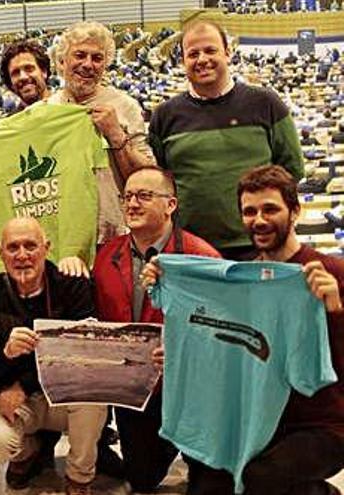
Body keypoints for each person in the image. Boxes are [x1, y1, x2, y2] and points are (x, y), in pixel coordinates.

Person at [142, 165, 344, 495]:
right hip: (256, 417)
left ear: (295, 211)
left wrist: (335, 312)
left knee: (259, 479)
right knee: (207, 483)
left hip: (322, 424)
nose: (259, 220)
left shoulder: (329, 272)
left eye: (270, 209)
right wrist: (184, 353)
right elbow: (230, 346)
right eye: (249, 211)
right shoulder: (240, 278)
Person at [92, 167, 219, 492]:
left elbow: (220, 333)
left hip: (192, 390)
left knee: (210, 483)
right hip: (136, 392)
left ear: (171, 205)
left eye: (144, 196)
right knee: (141, 478)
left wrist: (183, 354)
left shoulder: (202, 258)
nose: (132, 204)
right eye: (128, 196)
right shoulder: (107, 256)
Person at [0, 217, 107, 495]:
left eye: (30, 246)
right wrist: (4, 354)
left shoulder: (72, 287)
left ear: (46, 248)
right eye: (13, 247)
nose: (22, 255)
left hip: (62, 397)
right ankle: (26, 453)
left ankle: (79, 479)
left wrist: (24, 384)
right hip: (12, 398)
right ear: (0, 252)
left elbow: (83, 356)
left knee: (93, 399)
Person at [149, 20, 304, 260]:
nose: (202, 60)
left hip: (260, 248)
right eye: (193, 54)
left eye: (210, 51)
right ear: (183, 61)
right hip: (191, 251)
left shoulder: (266, 104)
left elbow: (292, 169)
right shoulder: (164, 115)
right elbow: (160, 179)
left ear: (228, 52)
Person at [49, 22, 157, 255]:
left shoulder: (124, 106)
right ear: (62, 61)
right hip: (62, 234)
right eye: (80, 55)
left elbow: (149, 177)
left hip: (112, 233)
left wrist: (116, 134)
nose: (88, 64)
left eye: (97, 58)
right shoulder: (46, 111)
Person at [0, 40, 52, 108]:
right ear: (10, 83)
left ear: (44, 71)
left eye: (29, 69)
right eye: (15, 73)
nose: (23, 77)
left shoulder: (67, 106)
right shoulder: (15, 118)